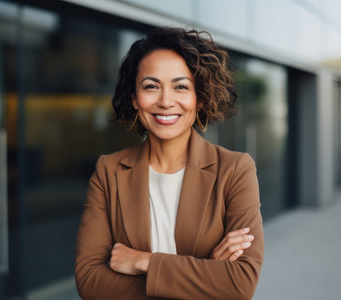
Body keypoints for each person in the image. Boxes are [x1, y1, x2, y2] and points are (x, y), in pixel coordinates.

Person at [75, 27, 264, 300]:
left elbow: (241, 284)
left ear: (199, 99)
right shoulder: (109, 171)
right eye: (151, 86)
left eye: (181, 87)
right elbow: (90, 280)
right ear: (135, 99)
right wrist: (206, 274)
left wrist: (144, 262)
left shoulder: (235, 170)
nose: (165, 101)